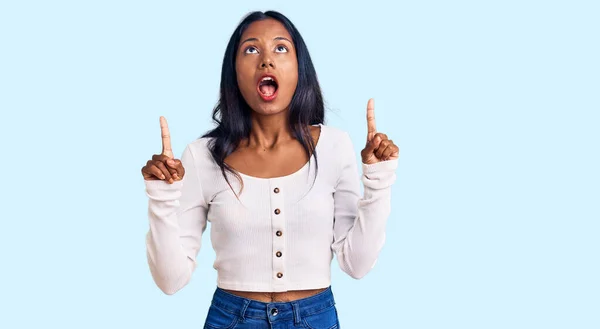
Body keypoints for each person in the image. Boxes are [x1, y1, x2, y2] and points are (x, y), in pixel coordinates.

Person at [141, 10, 399, 329]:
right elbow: (171, 281)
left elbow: (356, 264)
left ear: (298, 68)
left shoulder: (335, 146)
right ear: (233, 71)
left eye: (280, 48)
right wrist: (162, 196)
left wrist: (379, 178)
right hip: (230, 318)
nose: (266, 60)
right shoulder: (200, 156)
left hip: (315, 318)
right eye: (251, 49)